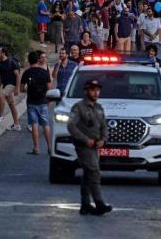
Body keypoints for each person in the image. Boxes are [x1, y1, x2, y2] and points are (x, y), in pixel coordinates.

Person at [67, 79, 112, 216]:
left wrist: (103, 139)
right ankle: (99, 203)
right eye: (92, 89)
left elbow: (104, 125)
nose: (96, 92)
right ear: (86, 91)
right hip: (84, 146)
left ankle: (85, 205)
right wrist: (86, 140)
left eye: (97, 90)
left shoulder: (99, 108)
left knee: (88, 174)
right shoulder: (78, 107)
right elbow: (71, 126)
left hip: (95, 146)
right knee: (94, 172)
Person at [21, 51, 52, 155]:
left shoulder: (26, 73)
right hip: (43, 101)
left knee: (34, 125)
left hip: (31, 102)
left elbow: (22, 89)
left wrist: (27, 88)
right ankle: (49, 148)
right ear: (38, 60)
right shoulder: (44, 72)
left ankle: (36, 148)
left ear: (29, 61)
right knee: (46, 124)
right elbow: (49, 88)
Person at [0, 47, 22, 130]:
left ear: (3, 53)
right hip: (5, 85)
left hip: (12, 85)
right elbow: (0, 76)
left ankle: (1, 115)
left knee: (1, 94)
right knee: (11, 105)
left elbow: (17, 75)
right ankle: (17, 124)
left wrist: (17, 88)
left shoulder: (11, 62)